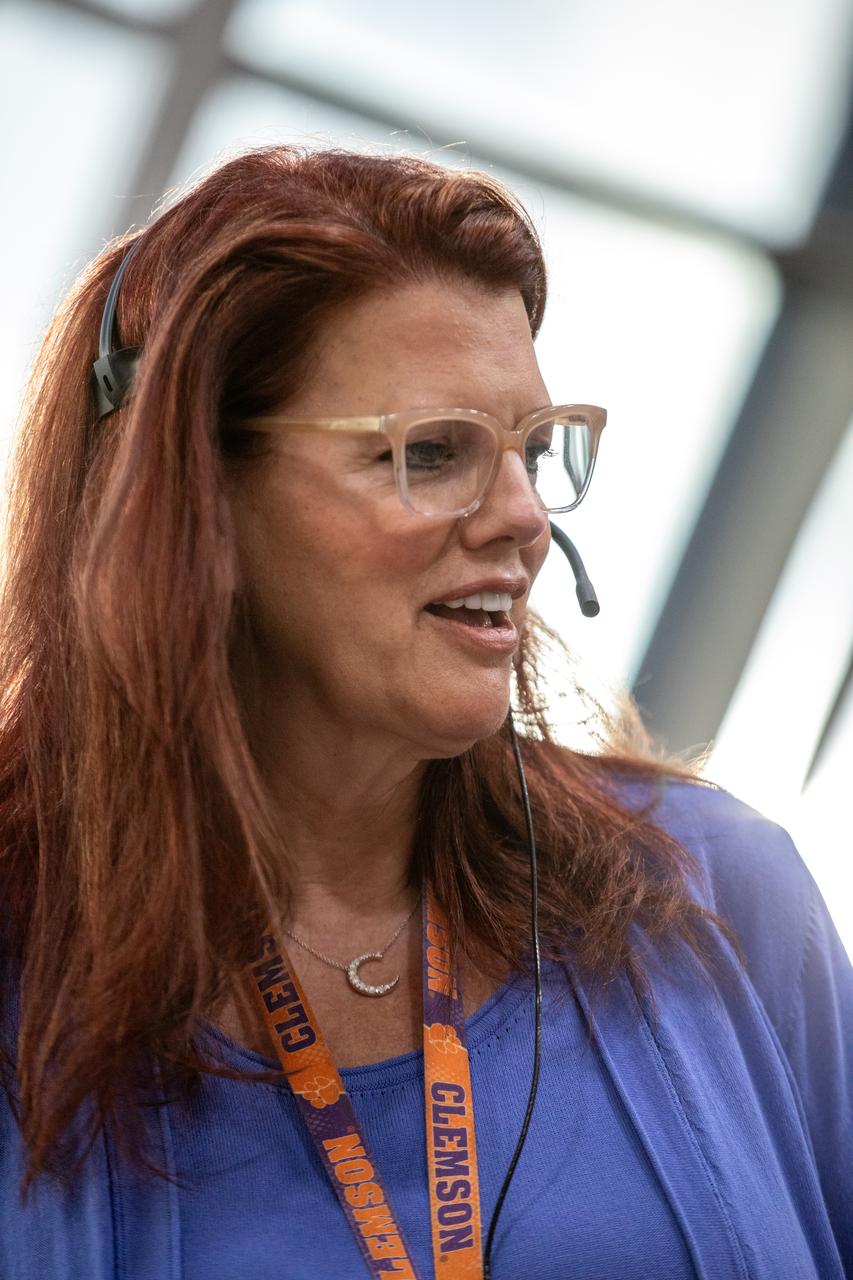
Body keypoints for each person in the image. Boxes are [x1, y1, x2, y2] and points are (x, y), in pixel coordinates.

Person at [0, 145, 849, 1280]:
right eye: (433, 451)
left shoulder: (718, 890)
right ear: (195, 491)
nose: (521, 520)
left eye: (533, 450)